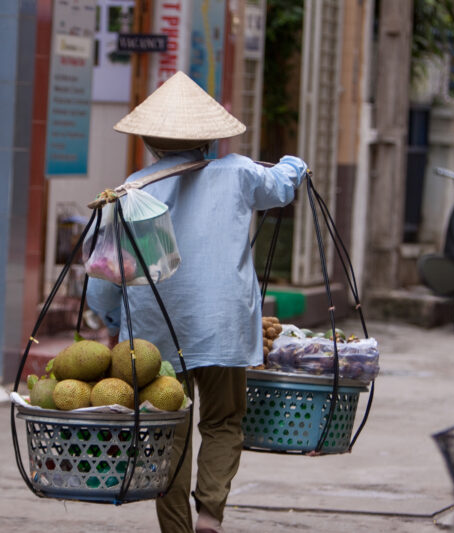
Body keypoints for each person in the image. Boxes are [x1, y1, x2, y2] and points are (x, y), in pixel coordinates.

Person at [86, 71, 307, 533]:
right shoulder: (240, 173)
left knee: (168, 434)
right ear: (210, 139)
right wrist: (294, 163)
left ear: (149, 141)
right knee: (224, 422)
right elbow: (283, 187)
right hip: (223, 325)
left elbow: (103, 276)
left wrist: (111, 319)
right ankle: (210, 512)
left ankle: (177, 529)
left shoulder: (132, 188)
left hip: (154, 336)